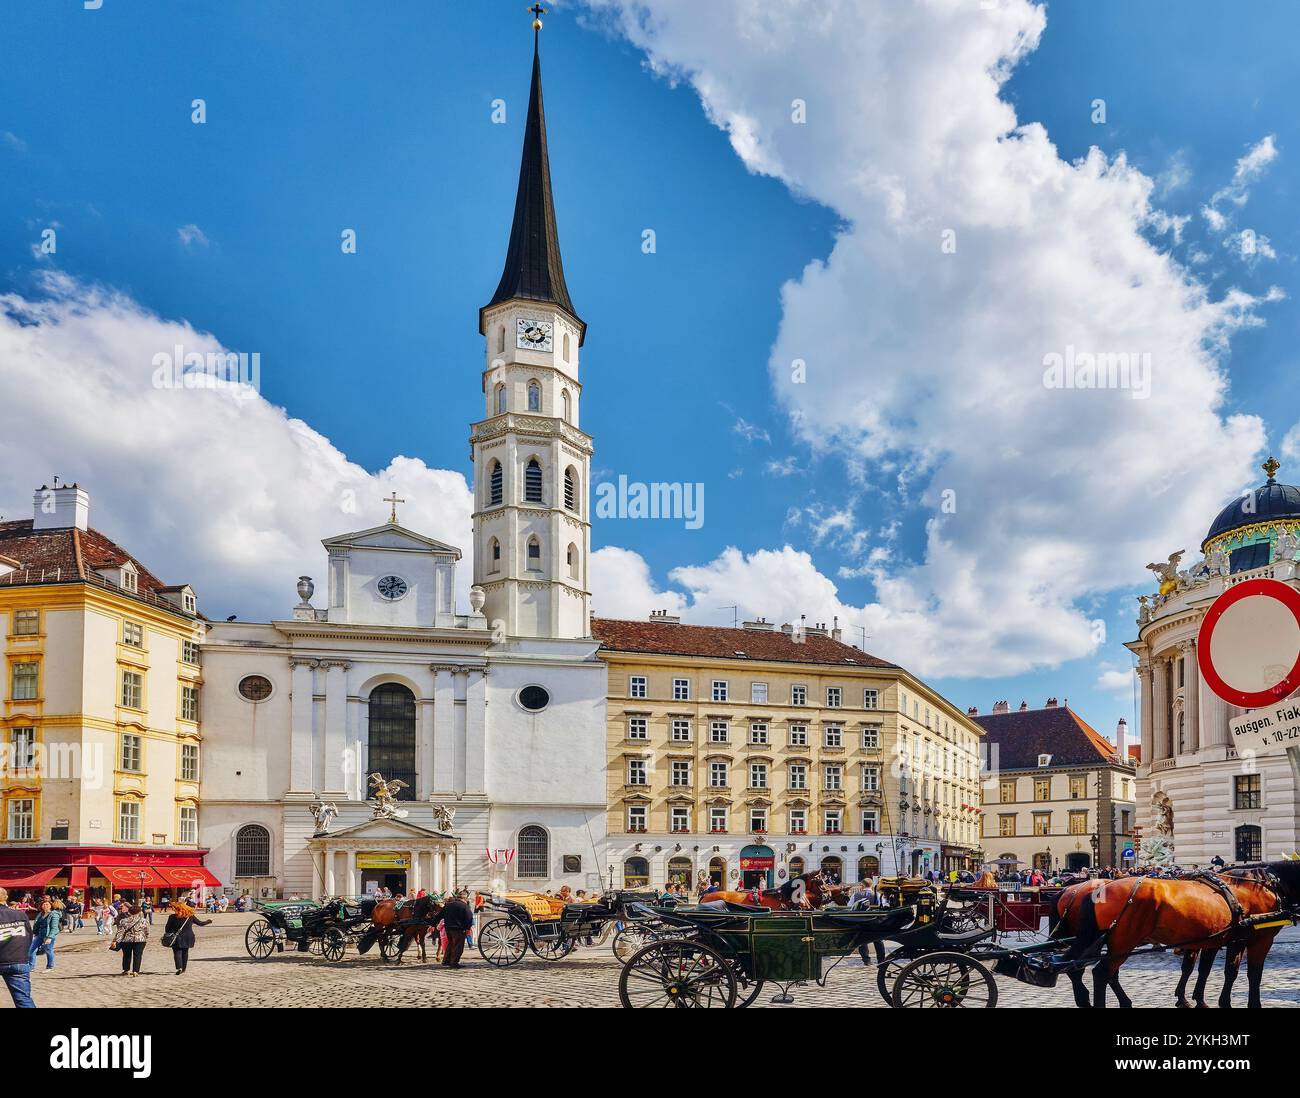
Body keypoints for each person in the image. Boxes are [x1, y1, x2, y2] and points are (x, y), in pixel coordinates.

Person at [0, 889, 35, 1008]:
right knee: (23, 1000)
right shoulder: (20, 914)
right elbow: (29, 936)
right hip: (19, 959)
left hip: (5, 958)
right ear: (5, 898)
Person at [162, 900, 212, 975]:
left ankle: (179, 968)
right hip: (188, 937)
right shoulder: (190, 916)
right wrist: (209, 921)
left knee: (177, 952)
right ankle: (184, 968)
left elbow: (167, 928)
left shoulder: (172, 917)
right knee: (185, 952)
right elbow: (201, 923)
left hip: (176, 937)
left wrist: (171, 931)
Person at [432, 889, 474, 968]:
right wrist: (468, 928)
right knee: (458, 946)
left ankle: (446, 961)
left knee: (450, 944)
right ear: (465, 898)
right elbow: (469, 917)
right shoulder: (464, 906)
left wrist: (432, 924)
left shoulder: (448, 905)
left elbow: (439, 915)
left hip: (448, 928)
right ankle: (454, 962)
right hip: (459, 929)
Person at [112, 903, 149, 976]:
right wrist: (145, 937)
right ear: (139, 912)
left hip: (127, 940)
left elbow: (120, 932)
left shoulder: (123, 921)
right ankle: (135, 971)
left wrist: (116, 941)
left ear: (129, 912)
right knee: (138, 955)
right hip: (140, 940)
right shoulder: (144, 921)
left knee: (126, 955)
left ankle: (126, 970)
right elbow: (147, 931)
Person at [31, 899, 60, 971]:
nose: (45, 905)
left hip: (48, 935)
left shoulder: (54, 914)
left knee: (48, 950)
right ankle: (31, 967)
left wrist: (50, 937)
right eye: (43, 904)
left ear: (51, 906)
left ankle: (50, 966)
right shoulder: (41, 914)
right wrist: (34, 932)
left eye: (47, 904)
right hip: (39, 935)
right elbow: (37, 924)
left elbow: (54, 927)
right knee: (31, 950)